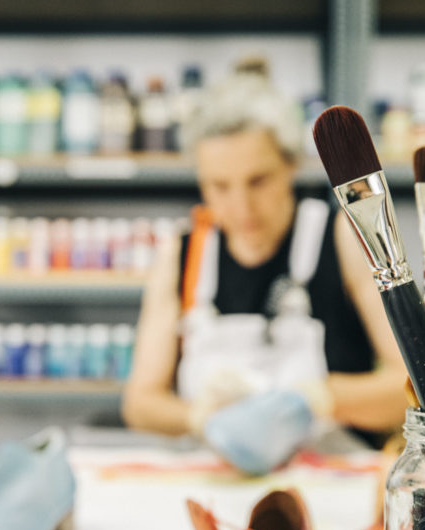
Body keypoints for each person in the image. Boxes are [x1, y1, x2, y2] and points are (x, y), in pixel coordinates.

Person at [121, 64, 408, 462]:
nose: (240, 207)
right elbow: (141, 403)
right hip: (216, 479)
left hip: (328, 482)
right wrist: (201, 418)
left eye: (258, 181)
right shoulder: (182, 254)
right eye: (219, 186)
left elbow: (410, 388)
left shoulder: (341, 237)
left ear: (291, 164)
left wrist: (321, 397)